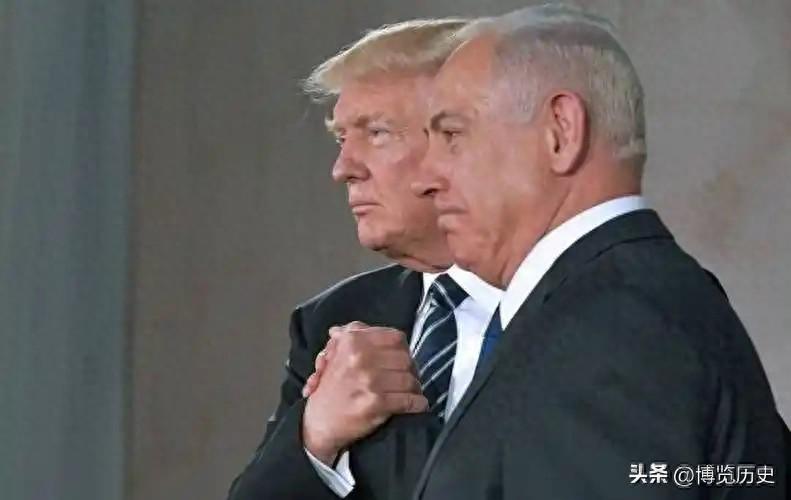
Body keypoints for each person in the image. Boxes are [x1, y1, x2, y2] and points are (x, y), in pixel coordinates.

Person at [409, 4, 787, 499]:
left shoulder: (608, 327)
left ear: (561, 131)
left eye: (453, 134)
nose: (425, 178)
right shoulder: (642, 299)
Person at [227, 18, 502, 500]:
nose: (343, 169)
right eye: (341, 139)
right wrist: (316, 435)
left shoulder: (579, 299)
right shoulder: (332, 320)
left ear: (461, 141)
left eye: (376, 132)